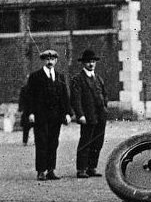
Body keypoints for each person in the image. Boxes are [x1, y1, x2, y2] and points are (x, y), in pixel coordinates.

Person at [26, 49, 71, 181]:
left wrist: (67, 113)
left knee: (53, 142)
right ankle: (41, 170)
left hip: (56, 117)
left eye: (52, 59)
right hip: (40, 116)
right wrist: (30, 113)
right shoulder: (35, 77)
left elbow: (64, 97)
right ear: (43, 61)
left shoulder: (60, 77)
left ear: (56, 61)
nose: (50, 61)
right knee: (41, 142)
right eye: (47, 59)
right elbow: (30, 97)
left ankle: (51, 170)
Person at [70, 49, 109, 178]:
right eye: (88, 62)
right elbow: (76, 99)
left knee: (98, 142)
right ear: (83, 63)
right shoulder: (78, 79)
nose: (91, 64)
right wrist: (80, 114)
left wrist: (104, 108)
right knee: (85, 142)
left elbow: (104, 95)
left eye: (93, 62)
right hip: (88, 116)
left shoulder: (98, 78)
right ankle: (81, 169)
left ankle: (92, 167)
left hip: (100, 116)